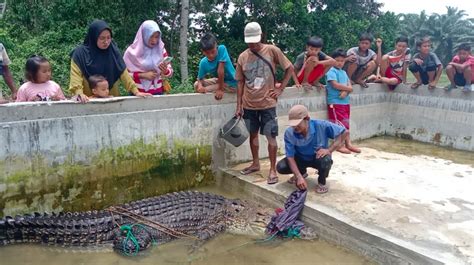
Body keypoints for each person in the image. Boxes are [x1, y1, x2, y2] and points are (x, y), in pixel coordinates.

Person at [235, 22, 294, 184]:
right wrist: (239, 106)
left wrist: (280, 88)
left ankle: (273, 170)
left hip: (267, 104)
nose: (252, 44)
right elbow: (240, 82)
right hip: (249, 105)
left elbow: (289, 68)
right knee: (252, 135)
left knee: (271, 137)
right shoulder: (242, 57)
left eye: (254, 40)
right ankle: (255, 163)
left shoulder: (272, 51)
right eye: (249, 41)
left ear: (260, 36)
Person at [69, 20, 151, 103]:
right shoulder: (80, 54)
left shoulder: (113, 51)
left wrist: (135, 91)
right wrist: (79, 93)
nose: (106, 42)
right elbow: (75, 76)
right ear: (94, 37)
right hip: (87, 101)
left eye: (109, 38)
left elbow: (124, 73)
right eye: (102, 38)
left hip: (111, 99)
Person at [276, 105, 349, 194]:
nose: (295, 127)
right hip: (300, 158)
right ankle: (302, 173)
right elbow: (290, 157)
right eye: (293, 125)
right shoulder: (289, 133)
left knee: (325, 161)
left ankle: (322, 182)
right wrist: (298, 176)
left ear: (307, 118)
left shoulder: (321, 125)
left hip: (317, 158)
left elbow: (345, 132)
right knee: (281, 167)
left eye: (297, 124)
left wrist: (329, 150)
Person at [123, 20, 173, 95]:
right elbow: (124, 75)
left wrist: (165, 70)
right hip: (137, 95)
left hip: (158, 93)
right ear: (144, 35)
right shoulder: (131, 52)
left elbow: (170, 72)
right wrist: (142, 75)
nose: (154, 40)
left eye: (156, 37)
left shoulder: (161, 49)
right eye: (151, 36)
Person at [325, 48, 361, 154]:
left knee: (346, 124)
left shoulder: (344, 72)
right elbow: (334, 84)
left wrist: (347, 91)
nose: (340, 63)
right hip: (335, 103)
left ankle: (348, 143)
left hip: (345, 102)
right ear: (333, 60)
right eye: (337, 60)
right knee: (338, 125)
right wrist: (348, 89)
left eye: (342, 60)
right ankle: (339, 145)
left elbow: (348, 84)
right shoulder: (331, 71)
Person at [194, 33, 237, 100]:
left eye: (213, 52)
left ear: (216, 46)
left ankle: (217, 87)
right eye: (207, 53)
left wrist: (220, 89)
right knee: (196, 85)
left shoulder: (222, 49)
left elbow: (220, 70)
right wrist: (200, 86)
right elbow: (200, 79)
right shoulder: (203, 62)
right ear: (203, 52)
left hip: (233, 83)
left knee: (206, 89)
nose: (211, 55)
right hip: (219, 81)